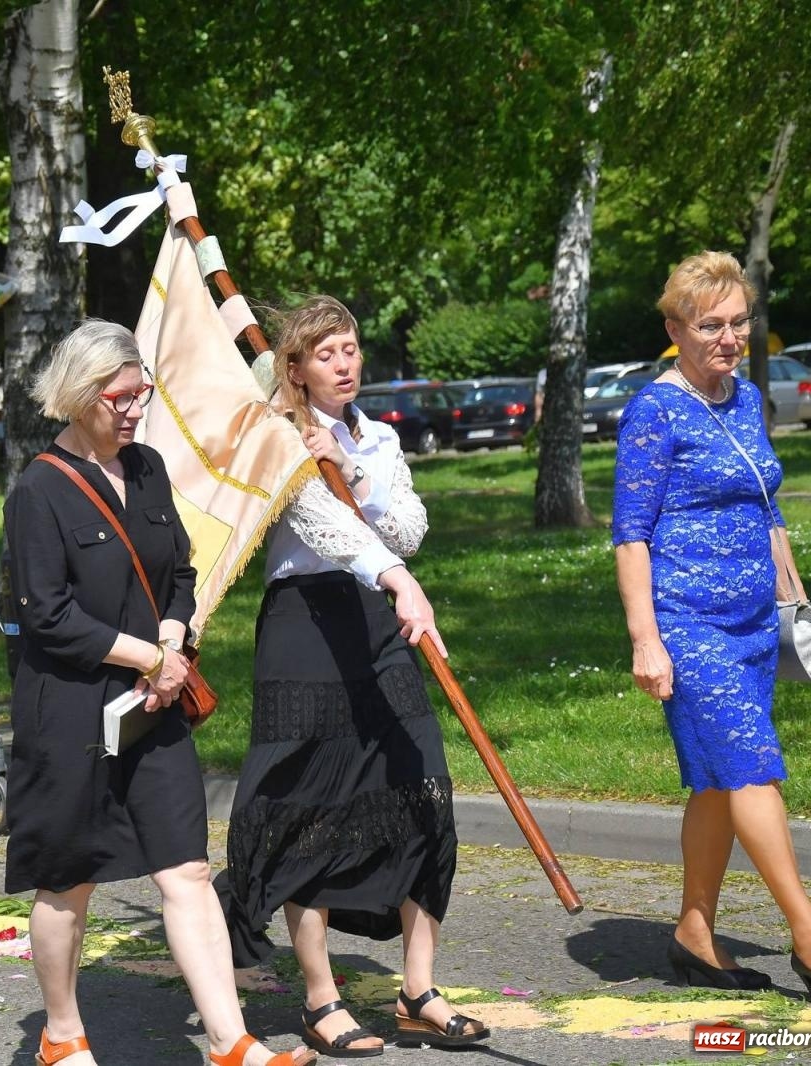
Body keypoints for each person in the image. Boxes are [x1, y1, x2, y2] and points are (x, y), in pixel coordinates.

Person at [4, 320, 314, 1066]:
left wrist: (172, 638)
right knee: (68, 882)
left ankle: (230, 1040)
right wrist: (148, 655)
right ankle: (61, 1034)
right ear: (79, 395)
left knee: (188, 870)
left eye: (140, 393)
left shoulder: (145, 467)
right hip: (72, 712)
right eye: (120, 398)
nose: (135, 409)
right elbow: (47, 615)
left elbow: (179, 569)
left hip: (153, 705)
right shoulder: (37, 491)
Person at [222, 296, 487, 1054]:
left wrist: (356, 474)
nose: (344, 364)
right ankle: (320, 998)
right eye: (325, 353)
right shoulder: (278, 434)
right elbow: (322, 527)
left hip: (377, 620)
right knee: (310, 805)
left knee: (423, 786)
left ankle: (418, 992)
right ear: (297, 368)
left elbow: (408, 528)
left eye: (350, 348)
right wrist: (395, 575)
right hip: (305, 624)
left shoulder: (379, 438)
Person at [613, 251, 811, 998]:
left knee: (718, 782)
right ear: (674, 331)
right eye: (710, 325)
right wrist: (646, 640)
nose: (729, 337)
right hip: (688, 624)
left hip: (753, 621)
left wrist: (792, 593)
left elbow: (765, 500)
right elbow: (631, 534)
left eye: (739, 322)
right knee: (751, 766)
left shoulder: (744, 396)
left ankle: (694, 934)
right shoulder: (655, 410)